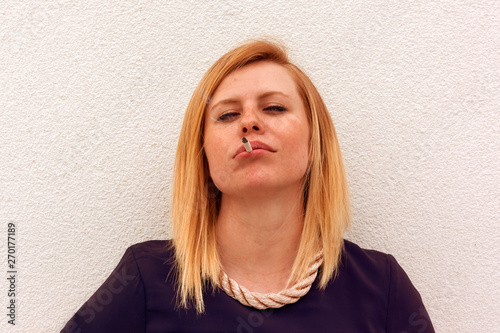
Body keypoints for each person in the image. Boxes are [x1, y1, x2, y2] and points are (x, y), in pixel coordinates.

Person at [62, 40, 435, 332]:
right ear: (203, 154)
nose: (249, 123)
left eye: (274, 108)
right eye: (227, 114)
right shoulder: (146, 278)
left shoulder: (381, 287)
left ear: (314, 141)